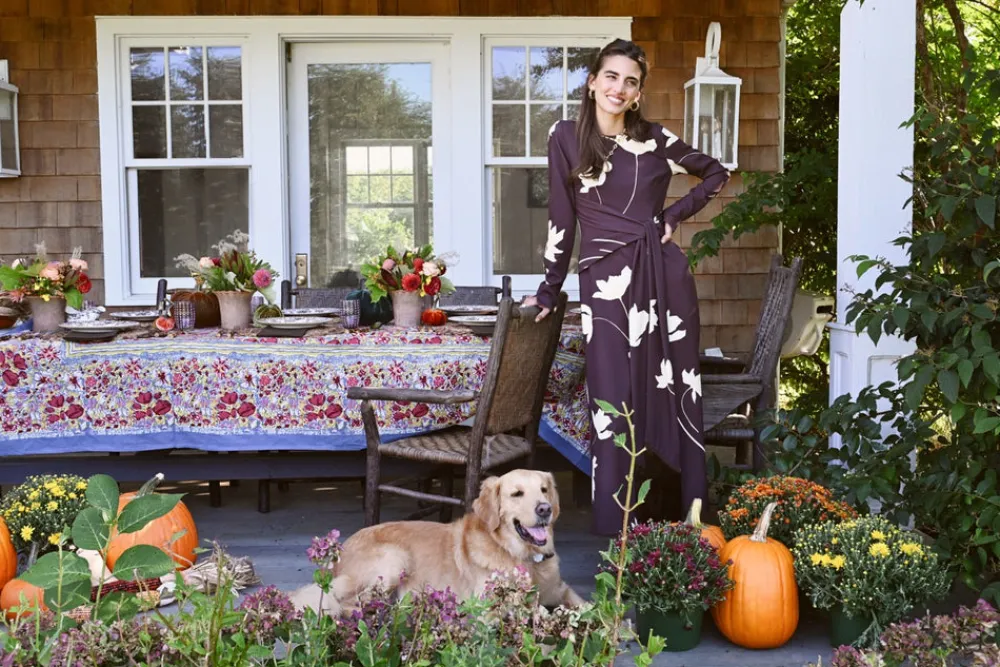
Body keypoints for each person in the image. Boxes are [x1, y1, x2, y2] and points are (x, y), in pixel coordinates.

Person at [523, 39, 730, 536]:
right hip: (604, 283)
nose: (619, 88)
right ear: (592, 81)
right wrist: (550, 288)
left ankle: (687, 520)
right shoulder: (565, 137)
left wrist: (673, 216)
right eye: (611, 77)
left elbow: (716, 172)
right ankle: (618, 530)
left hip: (664, 278)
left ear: (637, 93)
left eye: (630, 82)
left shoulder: (656, 139)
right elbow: (561, 218)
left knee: (675, 387)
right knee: (613, 397)